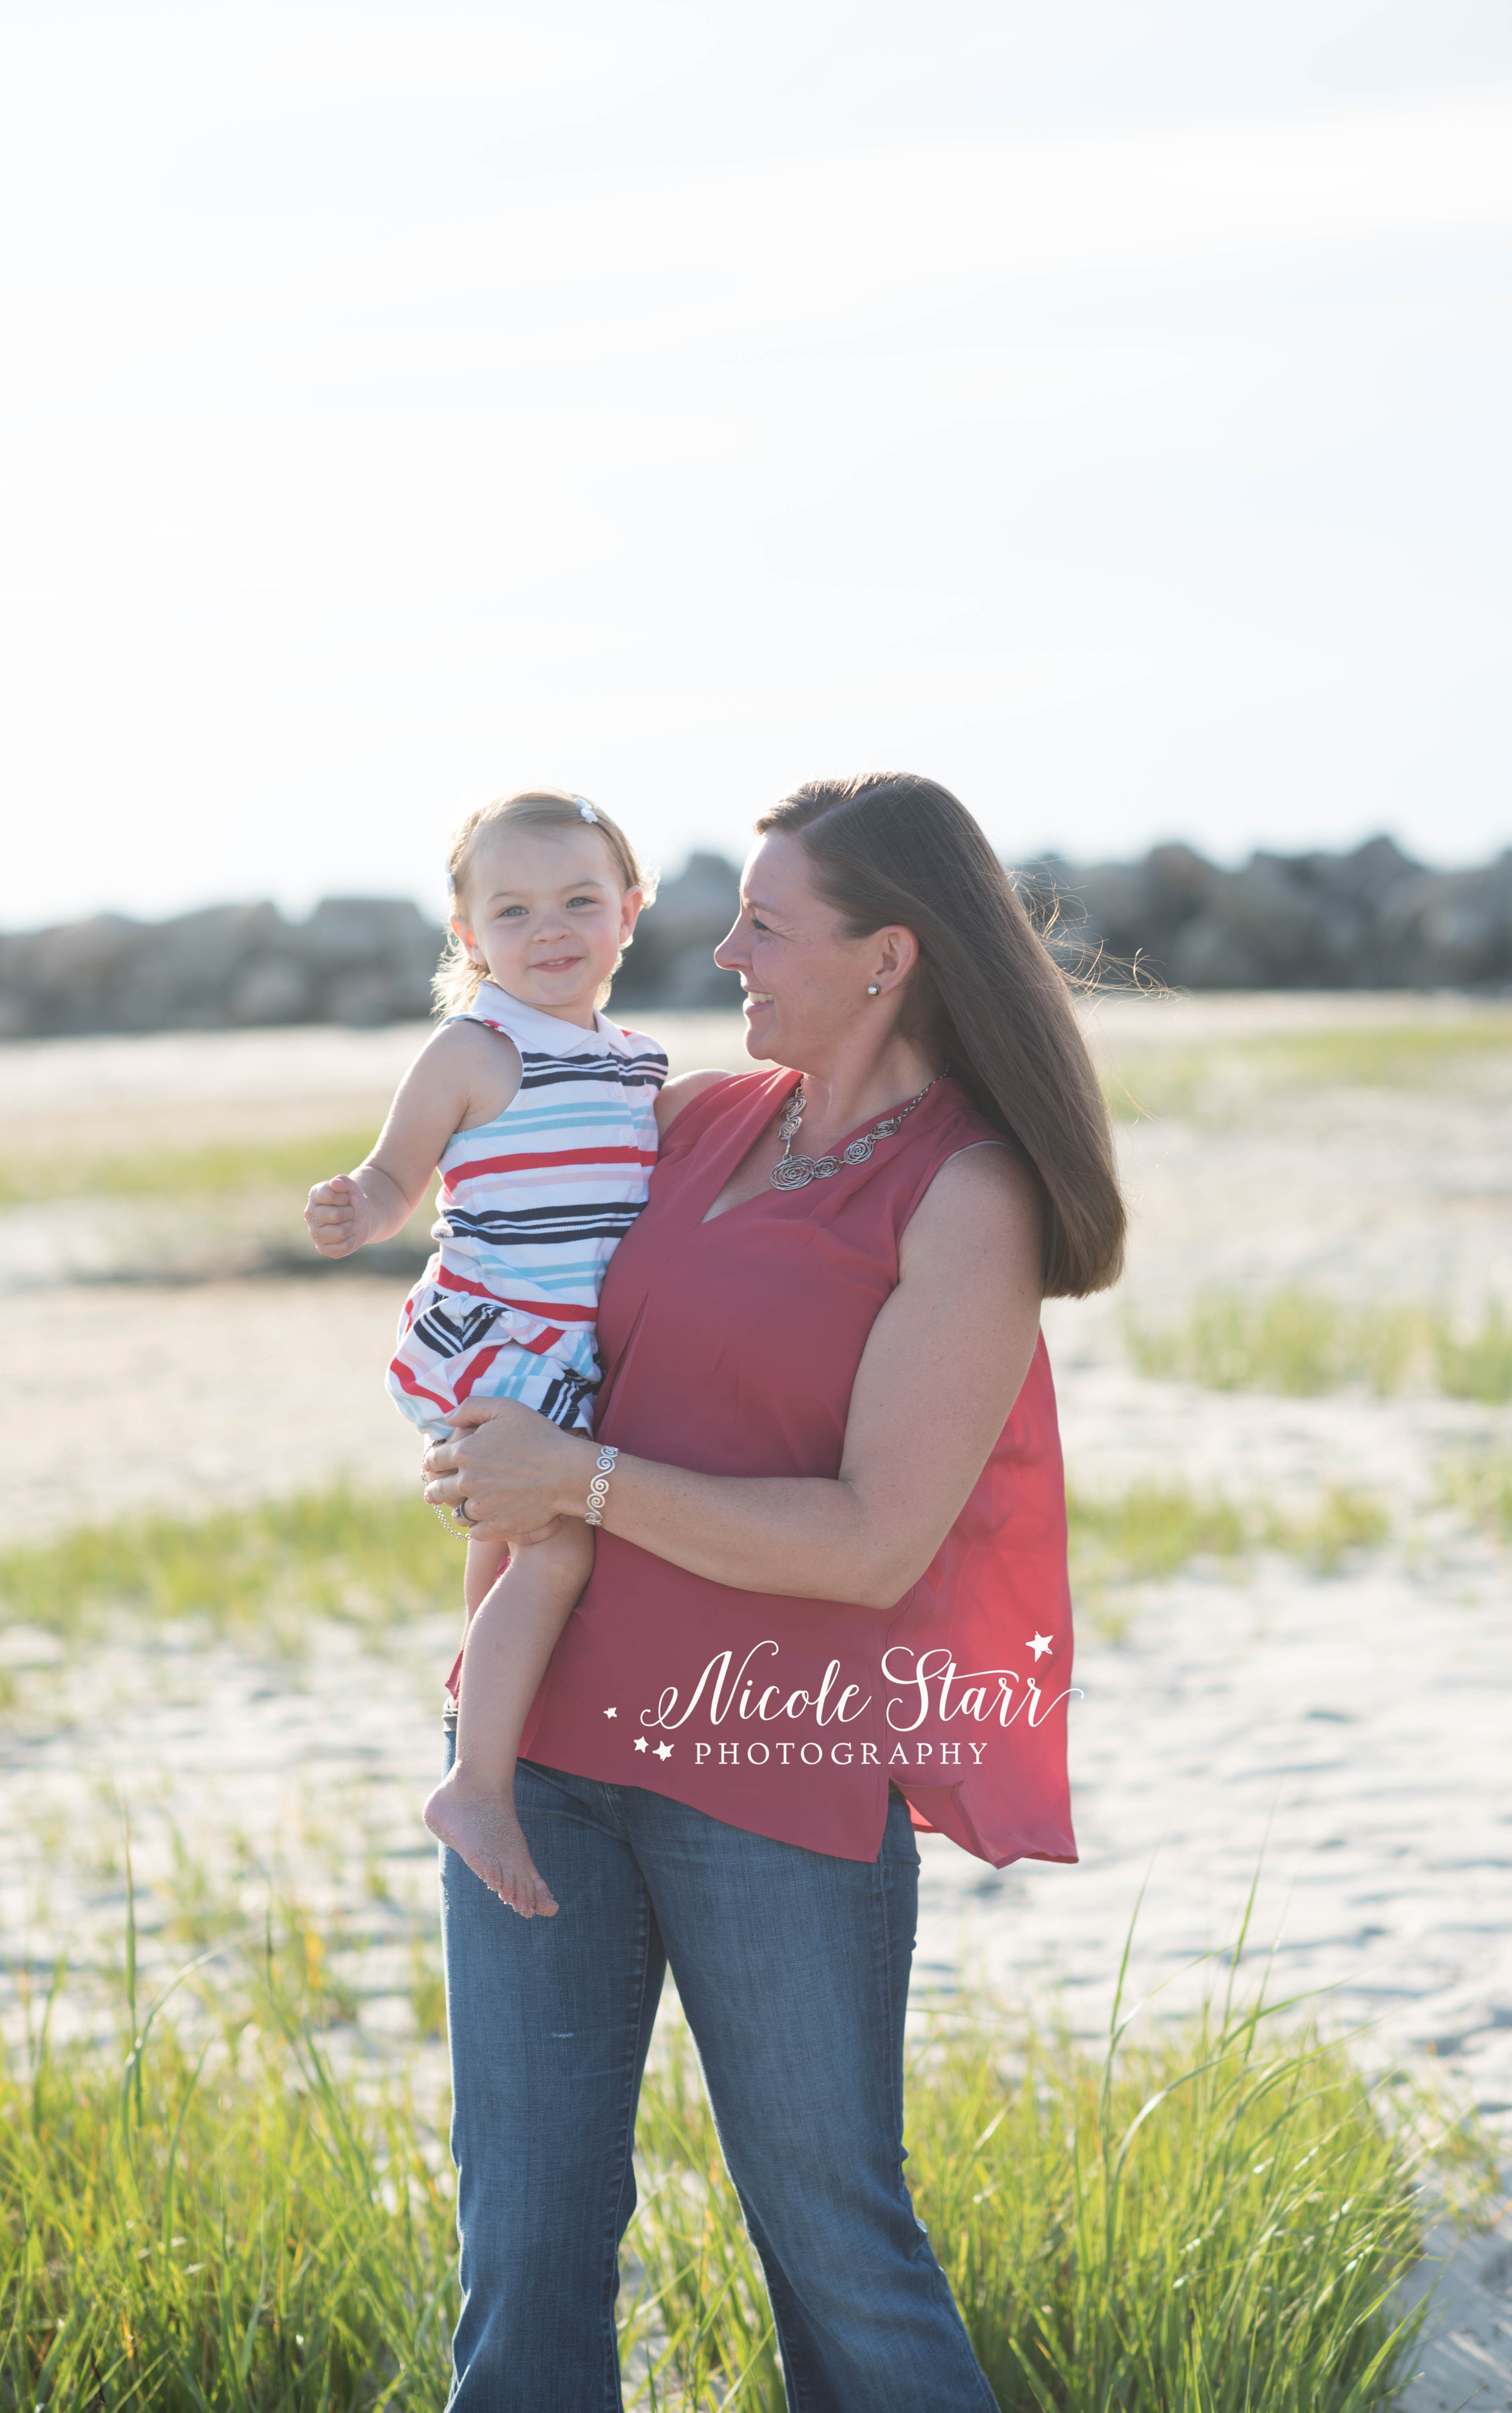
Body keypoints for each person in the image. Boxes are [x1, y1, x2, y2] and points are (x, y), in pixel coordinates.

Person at [422, 771, 1127, 2412]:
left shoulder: (970, 1193)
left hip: (767, 1775)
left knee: (834, 2247)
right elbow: (510, 1271)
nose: (721, 946)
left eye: (763, 920)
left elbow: (875, 1537)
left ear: (886, 954)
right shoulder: (688, 1117)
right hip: (536, 1768)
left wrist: (577, 1485)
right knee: (520, 2261)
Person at [303, 789, 666, 1919]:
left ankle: (478, 1692)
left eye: (578, 901)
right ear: (468, 934)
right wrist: (357, 1211)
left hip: (567, 1352)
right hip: (494, 1337)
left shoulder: (638, 1060)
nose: (548, 929)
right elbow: (398, 1173)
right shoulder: (475, 1046)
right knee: (554, 1551)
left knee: (513, 1537)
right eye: (513, 910)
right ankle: (477, 1783)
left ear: (629, 914)